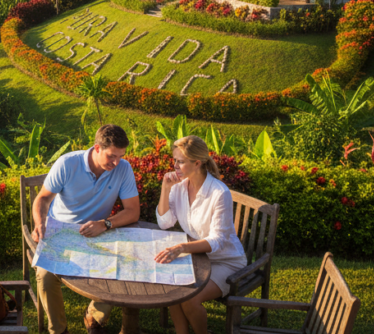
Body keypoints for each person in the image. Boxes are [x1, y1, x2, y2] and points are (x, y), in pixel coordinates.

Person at [31, 124, 140, 334]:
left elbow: (132, 211)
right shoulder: (67, 163)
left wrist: (105, 224)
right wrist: (39, 223)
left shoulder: (123, 168)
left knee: (124, 264)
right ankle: (59, 330)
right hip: (62, 231)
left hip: (98, 232)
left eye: (121, 156)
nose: (117, 162)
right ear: (97, 148)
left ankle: (94, 317)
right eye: (111, 156)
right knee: (45, 276)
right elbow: (43, 198)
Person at [153, 135, 247, 334]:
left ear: (197, 163)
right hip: (198, 257)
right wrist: (165, 188)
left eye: (180, 162)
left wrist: (181, 248)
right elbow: (165, 222)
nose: (175, 166)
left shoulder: (219, 193)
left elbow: (218, 241)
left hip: (226, 262)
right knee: (172, 287)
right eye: (175, 161)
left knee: (190, 298)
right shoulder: (178, 186)